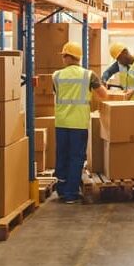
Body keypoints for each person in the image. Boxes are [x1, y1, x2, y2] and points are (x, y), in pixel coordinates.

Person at [53, 42, 108, 203]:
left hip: (61, 122)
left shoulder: (56, 75)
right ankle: (71, 194)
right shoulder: (89, 75)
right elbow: (103, 95)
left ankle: (62, 191)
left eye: (64, 55)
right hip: (78, 123)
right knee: (76, 157)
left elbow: (57, 92)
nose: (63, 58)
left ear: (69, 57)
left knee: (61, 155)